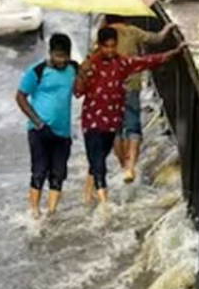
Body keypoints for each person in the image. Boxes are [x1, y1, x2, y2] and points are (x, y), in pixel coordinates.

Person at [75, 27, 186, 208]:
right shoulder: (90, 65)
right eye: (106, 47)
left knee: (98, 159)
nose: (110, 50)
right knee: (97, 160)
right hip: (92, 121)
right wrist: (81, 74)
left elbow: (146, 61)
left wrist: (172, 53)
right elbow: (77, 91)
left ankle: (88, 195)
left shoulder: (122, 63)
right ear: (99, 45)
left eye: (113, 46)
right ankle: (104, 205)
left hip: (111, 121)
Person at [102, 15, 177, 183]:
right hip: (131, 86)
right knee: (133, 126)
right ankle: (130, 167)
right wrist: (168, 28)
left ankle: (123, 165)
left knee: (116, 130)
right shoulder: (132, 32)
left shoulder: (103, 35)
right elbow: (156, 39)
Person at [15, 33, 77, 220]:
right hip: (39, 131)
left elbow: (81, 88)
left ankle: (51, 213)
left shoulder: (73, 69)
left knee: (58, 173)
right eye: (58, 56)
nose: (62, 60)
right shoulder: (37, 71)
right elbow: (20, 97)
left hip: (63, 131)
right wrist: (38, 122)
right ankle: (34, 212)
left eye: (65, 56)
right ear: (50, 53)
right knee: (39, 171)